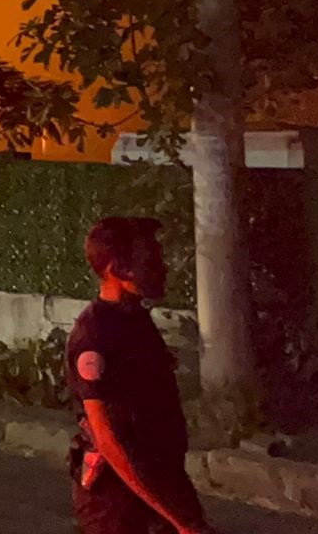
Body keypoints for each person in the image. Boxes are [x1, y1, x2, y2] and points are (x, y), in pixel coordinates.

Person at [66, 217, 212, 534]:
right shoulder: (94, 336)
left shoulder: (134, 319)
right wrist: (179, 520)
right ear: (120, 270)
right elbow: (108, 439)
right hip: (118, 503)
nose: (164, 268)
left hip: (160, 481)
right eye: (152, 260)